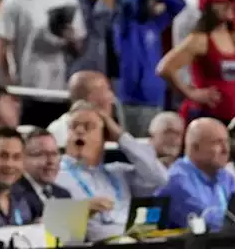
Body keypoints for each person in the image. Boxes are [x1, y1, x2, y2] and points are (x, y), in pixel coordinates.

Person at [55, 101, 168, 241]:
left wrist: (121, 137)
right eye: (73, 126)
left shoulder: (118, 172)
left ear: (105, 137)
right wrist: (83, 210)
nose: (79, 131)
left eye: (88, 126)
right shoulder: (55, 172)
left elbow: (161, 179)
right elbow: (48, 225)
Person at [156, 0, 235, 121]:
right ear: (209, 7)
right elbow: (164, 68)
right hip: (207, 117)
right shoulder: (200, 40)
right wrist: (192, 94)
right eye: (221, 2)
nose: (228, 5)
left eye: (229, 0)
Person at [155, 118, 235, 231]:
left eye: (227, 142)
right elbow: (207, 223)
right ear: (195, 147)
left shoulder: (225, 177)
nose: (225, 150)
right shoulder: (176, 181)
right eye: (218, 142)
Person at [17, 129, 71, 220]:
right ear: (22, 159)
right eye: (41, 154)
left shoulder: (63, 195)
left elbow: (70, 233)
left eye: (54, 154)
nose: (51, 161)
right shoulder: (14, 195)